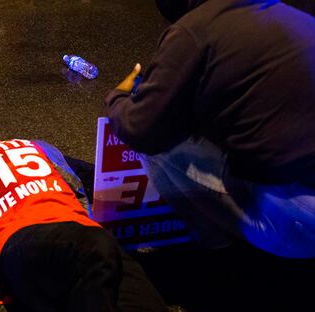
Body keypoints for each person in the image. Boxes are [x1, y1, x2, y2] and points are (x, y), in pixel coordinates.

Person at [0, 104, 191, 312]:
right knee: (93, 247)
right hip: (20, 238)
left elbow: (94, 177)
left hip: (83, 233)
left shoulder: (31, 145)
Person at [106, 0, 315, 258]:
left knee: (159, 139)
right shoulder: (289, 17)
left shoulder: (197, 27)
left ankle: (212, 250)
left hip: (299, 222)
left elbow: (141, 129)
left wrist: (118, 98)